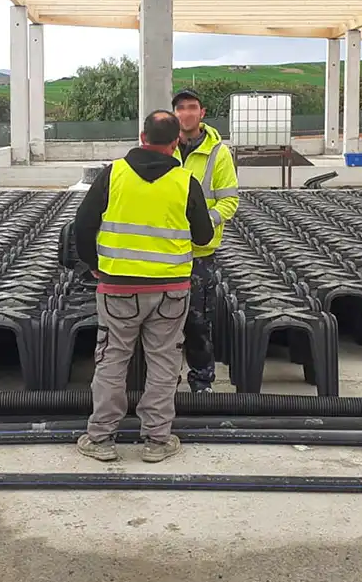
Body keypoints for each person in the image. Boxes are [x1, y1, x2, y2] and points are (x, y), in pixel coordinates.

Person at [73, 110, 214, 463]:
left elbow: (83, 223)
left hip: (118, 289)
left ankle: (102, 438)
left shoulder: (114, 174)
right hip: (170, 290)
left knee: (111, 360)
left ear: (141, 136)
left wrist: (95, 265)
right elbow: (204, 236)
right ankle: (157, 440)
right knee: (164, 362)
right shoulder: (185, 182)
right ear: (176, 142)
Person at [172, 88, 240, 393]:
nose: (186, 113)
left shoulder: (218, 153)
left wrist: (202, 222)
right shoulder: (163, 148)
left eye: (191, 107)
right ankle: (165, 380)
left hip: (199, 252)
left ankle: (201, 381)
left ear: (202, 113)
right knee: (163, 323)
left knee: (198, 322)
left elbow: (229, 201)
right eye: (180, 108)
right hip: (165, 250)